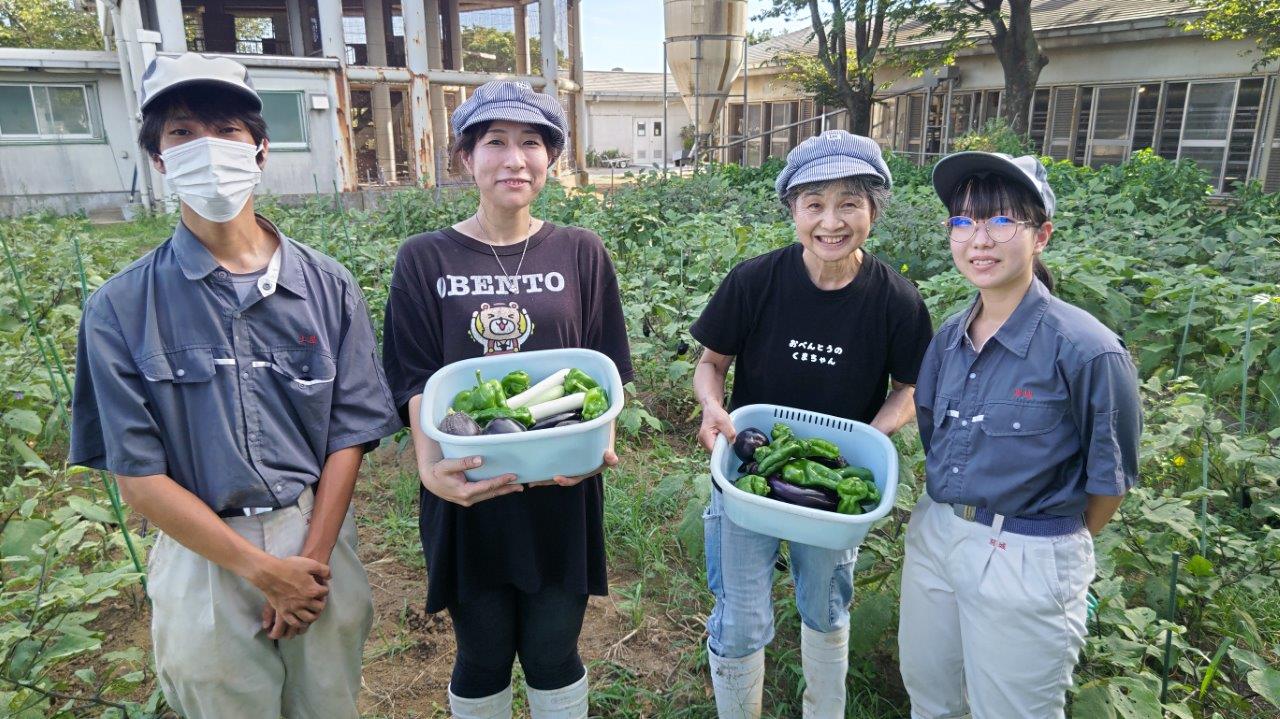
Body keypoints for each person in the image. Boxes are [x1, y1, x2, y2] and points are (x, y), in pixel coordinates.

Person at [68, 53, 399, 718]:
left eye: (227, 130)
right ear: (159, 158)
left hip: (315, 539)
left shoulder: (327, 287)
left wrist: (306, 563)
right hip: (205, 557)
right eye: (183, 133)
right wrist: (261, 570)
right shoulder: (121, 306)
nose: (207, 149)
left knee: (329, 704)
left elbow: (348, 434)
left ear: (260, 150)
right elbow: (138, 476)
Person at [380, 80, 633, 719]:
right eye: (495, 142)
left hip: (560, 484)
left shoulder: (580, 251)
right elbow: (413, 377)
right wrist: (431, 472)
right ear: (467, 157)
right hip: (469, 484)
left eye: (531, 143)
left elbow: (606, 367)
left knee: (553, 650)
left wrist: (600, 440)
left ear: (551, 158)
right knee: (482, 653)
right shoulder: (424, 257)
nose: (513, 159)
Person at [691, 130, 934, 718]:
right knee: (743, 614)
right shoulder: (756, 281)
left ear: (874, 210)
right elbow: (711, 363)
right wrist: (712, 408)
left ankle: (823, 709)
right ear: (793, 211)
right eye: (814, 203)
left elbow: (912, 386)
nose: (832, 221)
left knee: (826, 607)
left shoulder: (896, 300)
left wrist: (874, 435)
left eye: (850, 202)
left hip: (834, 481)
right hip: (752, 475)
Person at [898, 152, 1142, 718]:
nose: (979, 239)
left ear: (1042, 235)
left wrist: (1044, 547)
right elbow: (936, 437)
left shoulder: (1088, 349)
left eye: (1002, 221)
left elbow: (1110, 483)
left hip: (1029, 552)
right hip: (938, 534)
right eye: (963, 222)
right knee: (931, 698)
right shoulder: (950, 338)